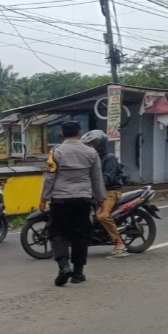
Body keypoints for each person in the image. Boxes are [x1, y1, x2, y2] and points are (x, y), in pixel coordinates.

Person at [40, 120, 106, 287]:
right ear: (80, 133)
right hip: (83, 198)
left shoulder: (56, 152)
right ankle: (78, 274)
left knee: (57, 233)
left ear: (62, 134)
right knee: (81, 234)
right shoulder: (91, 152)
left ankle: (64, 267)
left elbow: (49, 177)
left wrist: (44, 198)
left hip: (60, 199)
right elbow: (97, 178)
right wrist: (101, 199)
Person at [81, 130, 126, 255]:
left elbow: (107, 179)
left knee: (102, 215)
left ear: (98, 144)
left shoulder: (109, 158)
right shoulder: (94, 158)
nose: (88, 147)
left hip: (111, 191)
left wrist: (92, 187)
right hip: (98, 190)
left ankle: (119, 242)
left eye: (91, 144)